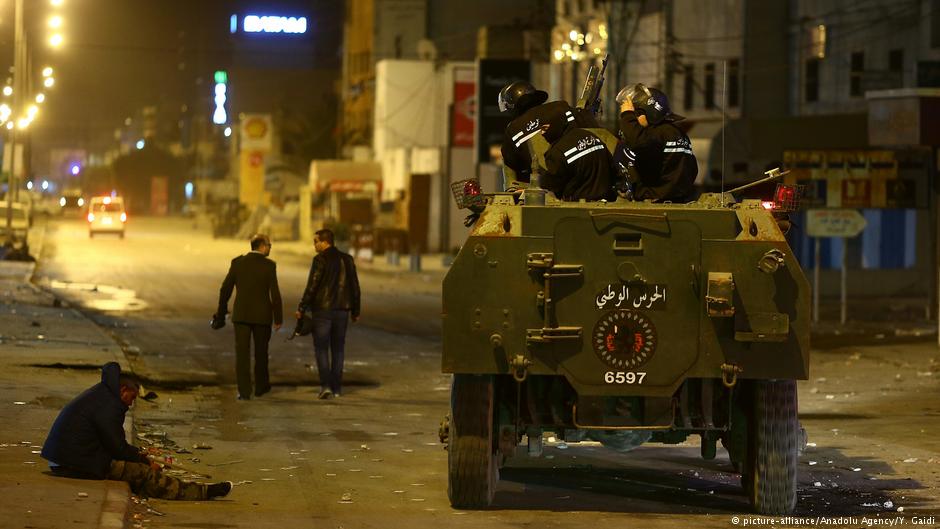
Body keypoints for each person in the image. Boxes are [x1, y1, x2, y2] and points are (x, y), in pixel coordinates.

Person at [41, 362, 232, 500]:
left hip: (64, 458)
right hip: (74, 462)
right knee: (142, 473)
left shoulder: (101, 394)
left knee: (133, 468)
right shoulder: (111, 405)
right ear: (123, 390)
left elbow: (112, 442)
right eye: (131, 398)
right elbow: (117, 448)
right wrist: (145, 462)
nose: (131, 403)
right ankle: (202, 492)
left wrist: (137, 454)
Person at [214, 233, 283, 400]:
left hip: (241, 316)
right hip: (262, 316)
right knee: (261, 353)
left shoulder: (238, 263)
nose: (270, 248)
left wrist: (222, 312)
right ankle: (260, 387)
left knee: (242, 355)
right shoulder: (269, 266)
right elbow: (275, 293)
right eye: (269, 245)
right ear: (262, 246)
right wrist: (278, 318)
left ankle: (244, 391)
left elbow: (225, 289)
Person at [295, 228, 361, 400]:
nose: (314, 245)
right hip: (342, 311)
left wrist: (302, 307)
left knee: (321, 348)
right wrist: (356, 310)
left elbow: (312, 285)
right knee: (338, 349)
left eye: (315, 241)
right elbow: (354, 286)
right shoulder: (347, 260)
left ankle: (326, 386)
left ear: (324, 242)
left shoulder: (320, 259)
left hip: (322, 311)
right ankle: (337, 388)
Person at [499, 81, 599, 182]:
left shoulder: (513, 130)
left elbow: (512, 164)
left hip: (552, 183)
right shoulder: (561, 106)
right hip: (590, 170)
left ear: (511, 108)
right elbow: (590, 129)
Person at [616, 83, 698, 202]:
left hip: (656, 203)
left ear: (648, 113)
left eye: (637, 115)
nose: (635, 119)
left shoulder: (658, 134)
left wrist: (627, 115)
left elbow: (637, 142)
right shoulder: (676, 133)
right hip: (679, 199)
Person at [541, 127, 616, 201]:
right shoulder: (589, 136)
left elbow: (552, 185)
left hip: (578, 206)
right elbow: (613, 168)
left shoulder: (558, 151)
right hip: (607, 200)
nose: (542, 133)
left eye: (544, 128)